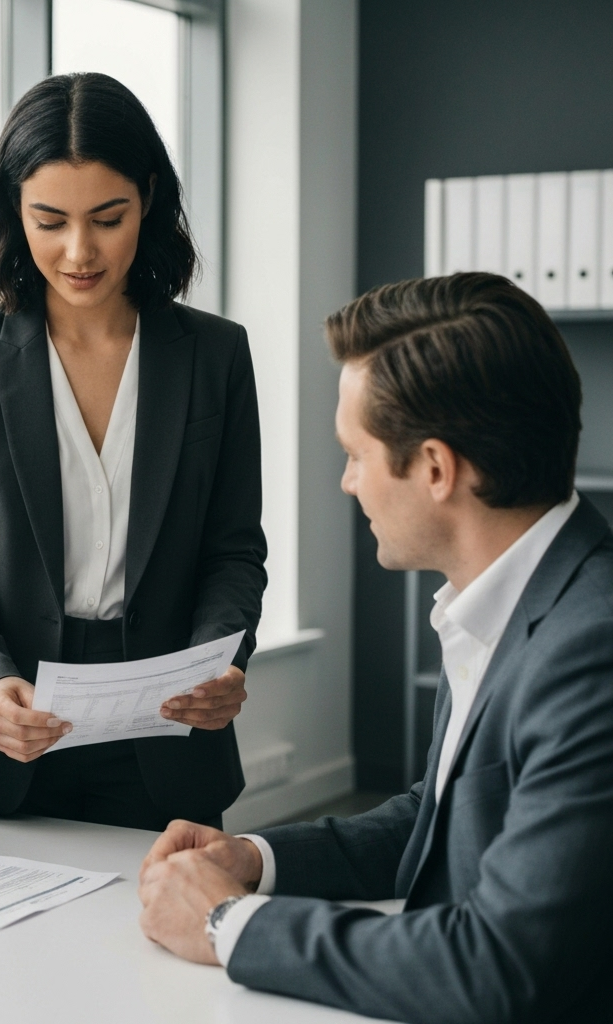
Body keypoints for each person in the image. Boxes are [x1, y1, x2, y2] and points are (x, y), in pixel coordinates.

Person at [137, 272, 613, 1022]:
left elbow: (502, 966)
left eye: (356, 454)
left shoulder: (590, 651)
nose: (346, 481)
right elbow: (445, 813)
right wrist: (254, 862)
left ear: (434, 468)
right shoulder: (505, 597)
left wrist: (224, 922)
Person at [0, 73, 267, 831]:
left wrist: (219, 664)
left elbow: (233, 550)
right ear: (12, 212)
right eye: (48, 220)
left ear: (148, 200)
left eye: (108, 218)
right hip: (5, 738)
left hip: (167, 740)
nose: (79, 252)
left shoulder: (216, 354)